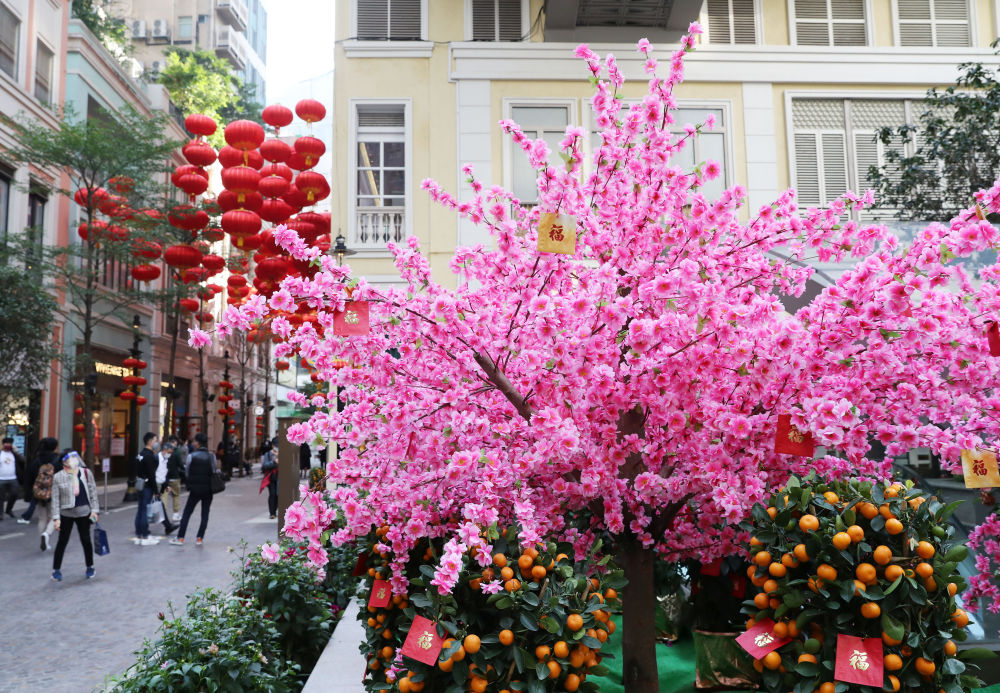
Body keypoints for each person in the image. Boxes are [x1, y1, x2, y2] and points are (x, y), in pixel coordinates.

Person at [49, 451, 99, 581]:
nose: (73, 460)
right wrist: (56, 518)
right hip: (66, 513)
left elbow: (93, 493)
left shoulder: (86, 473)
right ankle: (56, 570)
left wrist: (94, 510)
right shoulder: (58, 477)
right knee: (62, 541)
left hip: (84, 512)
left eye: (74, 458)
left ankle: (90, 566)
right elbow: (55, 499)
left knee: (86, 539)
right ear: (64, 462)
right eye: (70, 458)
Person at [171, 433, 216, 546]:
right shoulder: (211, 456)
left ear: (198, 443)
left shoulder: (192, 456)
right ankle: (199, 538)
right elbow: (214, 471)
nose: (193, 443)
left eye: (195, 441)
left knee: (187, 513)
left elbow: (187, 472)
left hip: (195, 489)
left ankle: (180, 537)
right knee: (205, 513)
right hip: (208, 489)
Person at [134, 432, 177, 545]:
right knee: (144, 511)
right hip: (147, 486)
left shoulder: (140, 455)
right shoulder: (150, 456)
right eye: (155, 440)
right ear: (150, 441)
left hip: (140, 484)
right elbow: (152, 475)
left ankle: (139, 533)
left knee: (140, 510)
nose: (156, 442)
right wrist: (155, 491)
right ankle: (145, 535)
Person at [21, 437, 59, 549]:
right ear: (54, 447)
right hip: (53, 493)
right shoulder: (57, 461)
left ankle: (43, 543)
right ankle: (46, 534)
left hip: (38, 494)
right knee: (54, 517)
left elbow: (28, 478)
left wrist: (29, 493)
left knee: (42, 518)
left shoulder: (36, 460)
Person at [0, 437, 26, 519]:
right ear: (3, 444)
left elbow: (23, 461)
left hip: (13, 478)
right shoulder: (0, 453)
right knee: (1, 497)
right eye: (6, 443)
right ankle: (0, 514)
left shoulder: (14, 454)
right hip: (1, 478)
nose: (8, 445)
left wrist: (17, 452)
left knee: (15, 494)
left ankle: (9, 509)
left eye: (9, 443)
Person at [164, 437, 185, 522]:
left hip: (165, 477)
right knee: (176, 495)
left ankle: (163, 514)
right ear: (175, 443)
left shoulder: (164, 450)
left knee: (164, 496)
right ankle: (175, 514)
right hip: (175, 477)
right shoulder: (177, 452)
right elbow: (180, 464)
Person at [259, 439, 278, 519]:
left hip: (279, 478)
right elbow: (264, 466)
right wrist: (274, 462)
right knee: (272, 494)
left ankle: (275, 509)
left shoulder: (283, 454)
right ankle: (272, 513)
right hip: (270, 477)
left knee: (277, 495)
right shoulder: (268, 454)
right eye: (276, 445)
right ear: (272, 446)